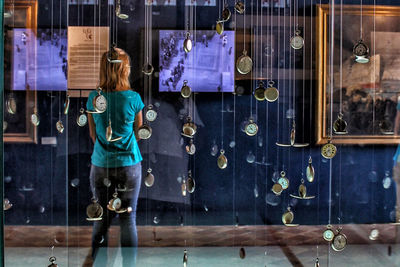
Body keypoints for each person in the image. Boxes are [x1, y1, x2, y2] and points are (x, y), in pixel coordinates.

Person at [86, 47, 144, 266]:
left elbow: (93, 134)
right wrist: (123, 147)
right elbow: (140, 133)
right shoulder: (133, 98)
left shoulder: (94, 97)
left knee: (100, 220)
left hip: (101, 164)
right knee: (128, 219)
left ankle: (100, 265)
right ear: (124, 69)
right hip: (130, 165)